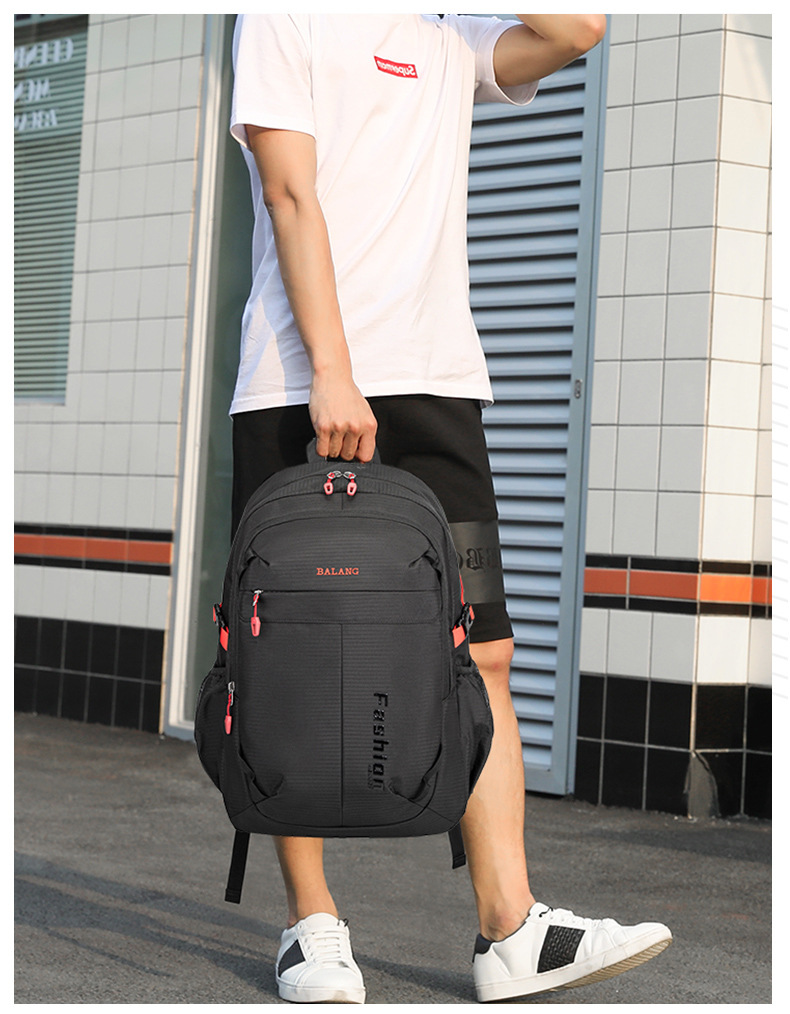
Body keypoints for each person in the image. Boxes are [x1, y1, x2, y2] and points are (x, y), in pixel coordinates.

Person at [227, 13, 672, 1004]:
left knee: (484, 650)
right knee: (293, 659)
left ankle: (511, 931)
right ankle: (311, 928)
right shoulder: (283, 17)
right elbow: (288, 189)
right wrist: (333, 371)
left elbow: (578, 29)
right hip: (301, 384)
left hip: (436, 390)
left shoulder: (448, 34)